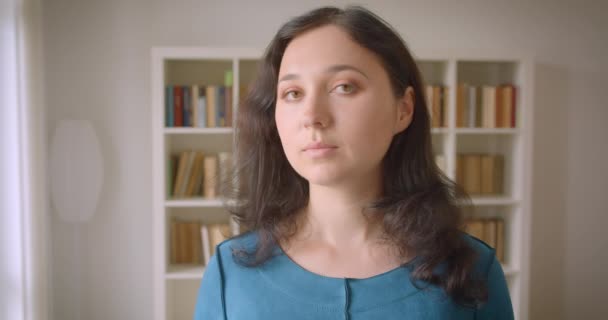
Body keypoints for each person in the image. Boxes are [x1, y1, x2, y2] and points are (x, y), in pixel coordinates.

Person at [194, 5, 513, 320]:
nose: (312, 117)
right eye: (292, 93)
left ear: (403, 109)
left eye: (344, 87)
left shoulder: (471, 269)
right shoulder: (230, 271)